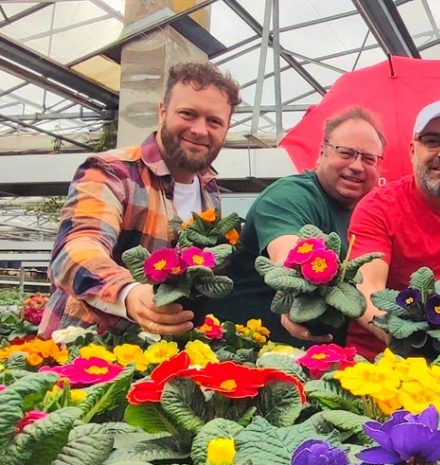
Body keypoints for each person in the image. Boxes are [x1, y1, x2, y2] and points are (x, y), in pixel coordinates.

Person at [40, 62, 241, 338]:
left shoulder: (210, 189)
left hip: (158, 357)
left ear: (226, 129)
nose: (199, 130)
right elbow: (76, 248)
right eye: (188, 114)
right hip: (85, 351)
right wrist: (129, 294)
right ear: (163, 112)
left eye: (214, 121)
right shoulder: (112, 171)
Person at [201, 107, 386, 346]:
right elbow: (290, 254)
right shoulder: (289, 196)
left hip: (317, 358)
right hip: (247, 351)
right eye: (346, 153)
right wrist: (299, 292)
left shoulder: (369, 213)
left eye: (368, 158)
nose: (357, 166)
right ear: (322, 153)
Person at [347, 99, 440, 359]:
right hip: (378, 362)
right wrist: (411, 342)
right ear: (412, 150)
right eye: (432, 140)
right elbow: (367, 287)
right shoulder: (378, 207)